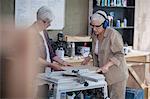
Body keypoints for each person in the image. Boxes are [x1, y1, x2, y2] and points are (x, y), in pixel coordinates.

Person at [82, 10, 128, 99]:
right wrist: (88, 57)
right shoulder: (95, 34)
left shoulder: (113, 34)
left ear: (105, 24)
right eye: (92, 26)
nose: (94, 29)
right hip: (102, 75)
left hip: (116, 76)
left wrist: (107, 66)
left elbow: (120, 54)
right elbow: (96, 50)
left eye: (97, 26)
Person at [30, 6, 71, 98]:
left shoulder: (44, 32)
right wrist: (52, 65)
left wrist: (63, 62)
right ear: (41, 21)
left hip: (46, 75)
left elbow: (51, 53)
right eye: (48, 23)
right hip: (36, 76)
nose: (50, 25)